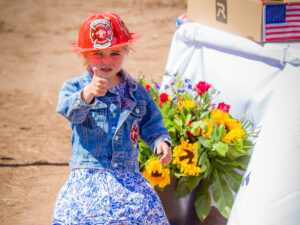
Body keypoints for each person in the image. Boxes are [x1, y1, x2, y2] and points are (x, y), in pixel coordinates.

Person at [52, 13, 172, 225]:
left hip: (128, 178)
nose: (106, 61)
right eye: (97, 53)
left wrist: (160, 141)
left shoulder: (137, 92)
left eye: (114, 53)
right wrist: (88, 93)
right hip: (90, 177)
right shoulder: (75, 87)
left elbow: (151, 122)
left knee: (135, 216)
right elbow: (69, 111)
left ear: (127, 51)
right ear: (85, 56)